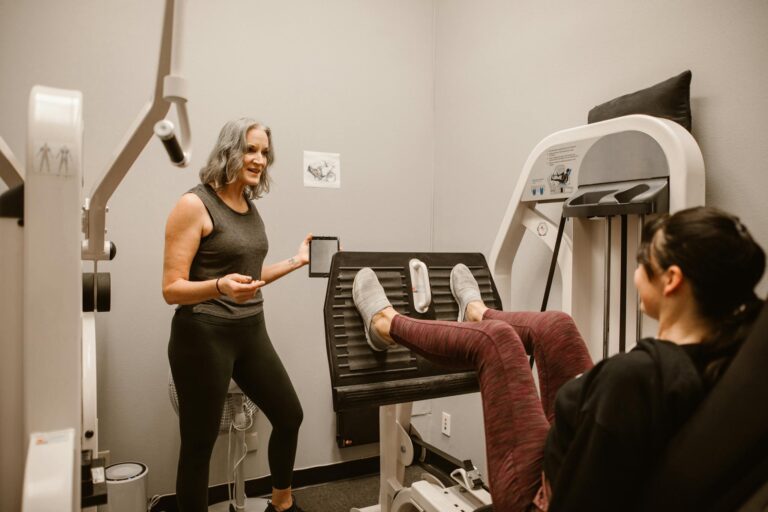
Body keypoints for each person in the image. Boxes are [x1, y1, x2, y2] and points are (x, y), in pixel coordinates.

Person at [352, 206, 765, 512]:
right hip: (574, 444)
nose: (639, 269)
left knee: (495, 343)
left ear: (672, 281)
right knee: (557, 327)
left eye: (644, 260)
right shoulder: (722, 354)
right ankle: (477, 313)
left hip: (538, 494)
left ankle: (386, 325)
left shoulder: (634, 379)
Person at [163, 118, 309, 512]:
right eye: (251, 149)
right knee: (199, 443)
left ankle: (282, 504)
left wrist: (297, 261)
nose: (259, 159)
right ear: (229, 150)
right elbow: (171, 289)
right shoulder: (194, 204)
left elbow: (249, 275)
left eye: (264, 152)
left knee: (289, 414)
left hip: (250, 331)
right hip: (202, 334)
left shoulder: (248, 206)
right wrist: (218, 286)